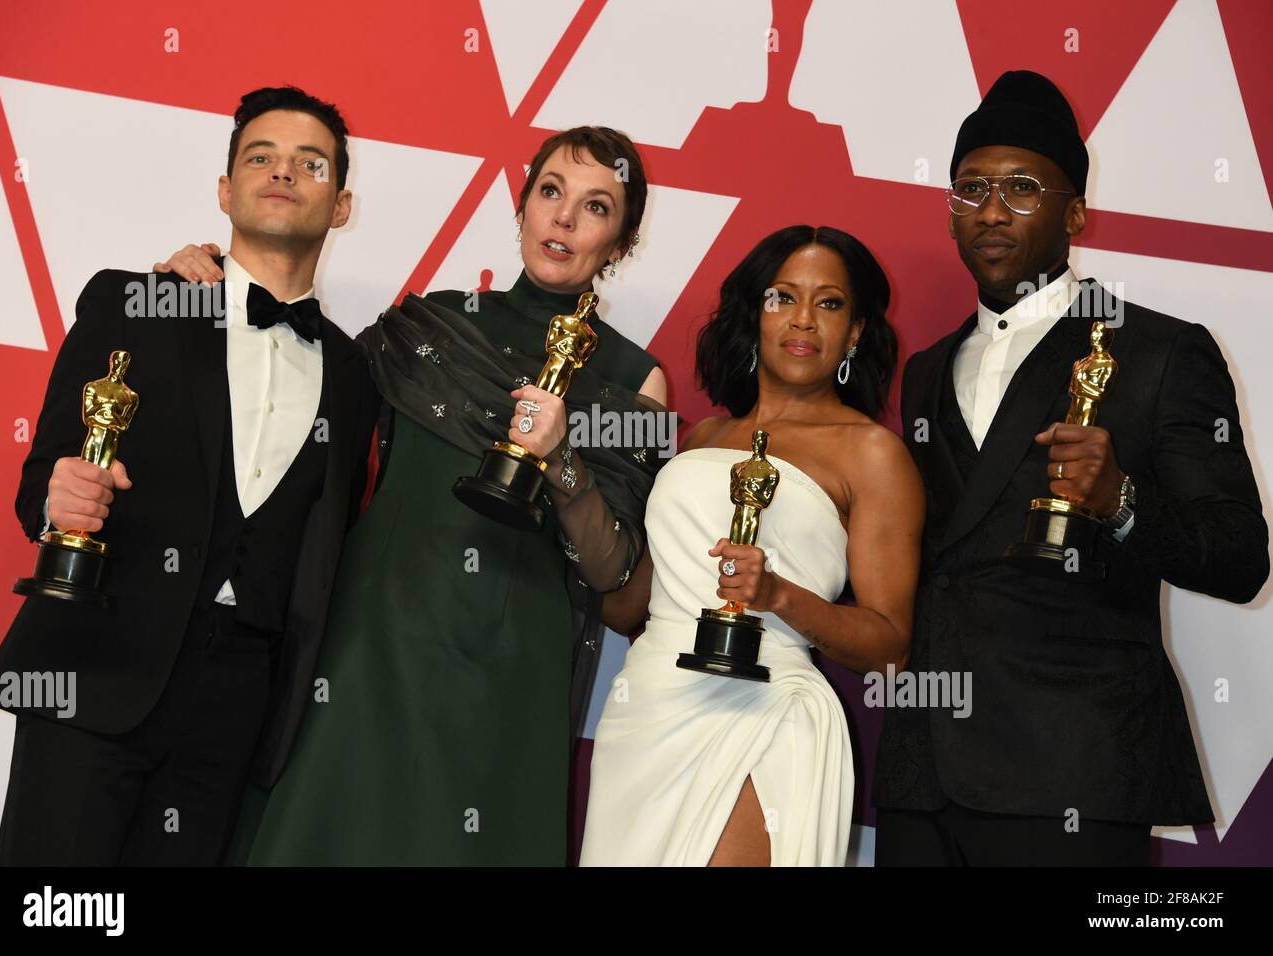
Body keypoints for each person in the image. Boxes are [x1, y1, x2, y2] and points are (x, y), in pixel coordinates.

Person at [157, 126, 667, 864]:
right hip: (369, 639)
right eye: (550, 192)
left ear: (619, 243)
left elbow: (615, 577)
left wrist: (563, 463)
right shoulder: (427, 324)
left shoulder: (636, 379)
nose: (563, 219)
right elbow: (296, 384)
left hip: (511, 662)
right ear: (521, 207)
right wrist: (209, 279)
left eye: (595, 207)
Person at [873, 70, 1270, 866]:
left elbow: (1239, 560)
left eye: (1022, 187)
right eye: (971, 189)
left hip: (1074, 769)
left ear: (1076, 210)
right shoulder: (923, 370)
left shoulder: (1159, 351)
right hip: (923, 775)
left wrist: (1121, 498)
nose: (990, 210)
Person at [0, 86, 379, 865]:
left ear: (339, 205)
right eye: (259, 157)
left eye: (309, 163)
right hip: (97, 673)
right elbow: (45, 478)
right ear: (225, 189)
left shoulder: (356, 373)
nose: (282, 173)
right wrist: (55, 500)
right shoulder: (138, 302)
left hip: (235, 711)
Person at [581, 225, 924, 866]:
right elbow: (627, 608)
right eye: (782, 297)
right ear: (754, 314)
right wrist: (565, 485)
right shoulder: (702, 438)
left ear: (855, 332)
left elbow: (887, 647)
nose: (802, 319)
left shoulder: (873, 454)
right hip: (646, 713)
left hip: (762, 713)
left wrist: (775, 595)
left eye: (829, 303)